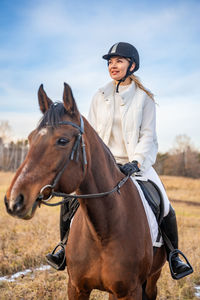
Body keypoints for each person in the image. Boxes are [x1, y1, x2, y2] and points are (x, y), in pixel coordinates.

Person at [46, 42, 192, 279]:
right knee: (72, 200)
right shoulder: (98, 95)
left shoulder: (145, 98)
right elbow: (89, 132)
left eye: (119, 61)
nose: (113, 66)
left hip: (136, 164)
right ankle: (63, 247)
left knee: (164, 204)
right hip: (103, 163)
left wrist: (136, 162)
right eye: (110, 62)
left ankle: (174, 255)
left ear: (132, 65)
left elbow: (147, 135)